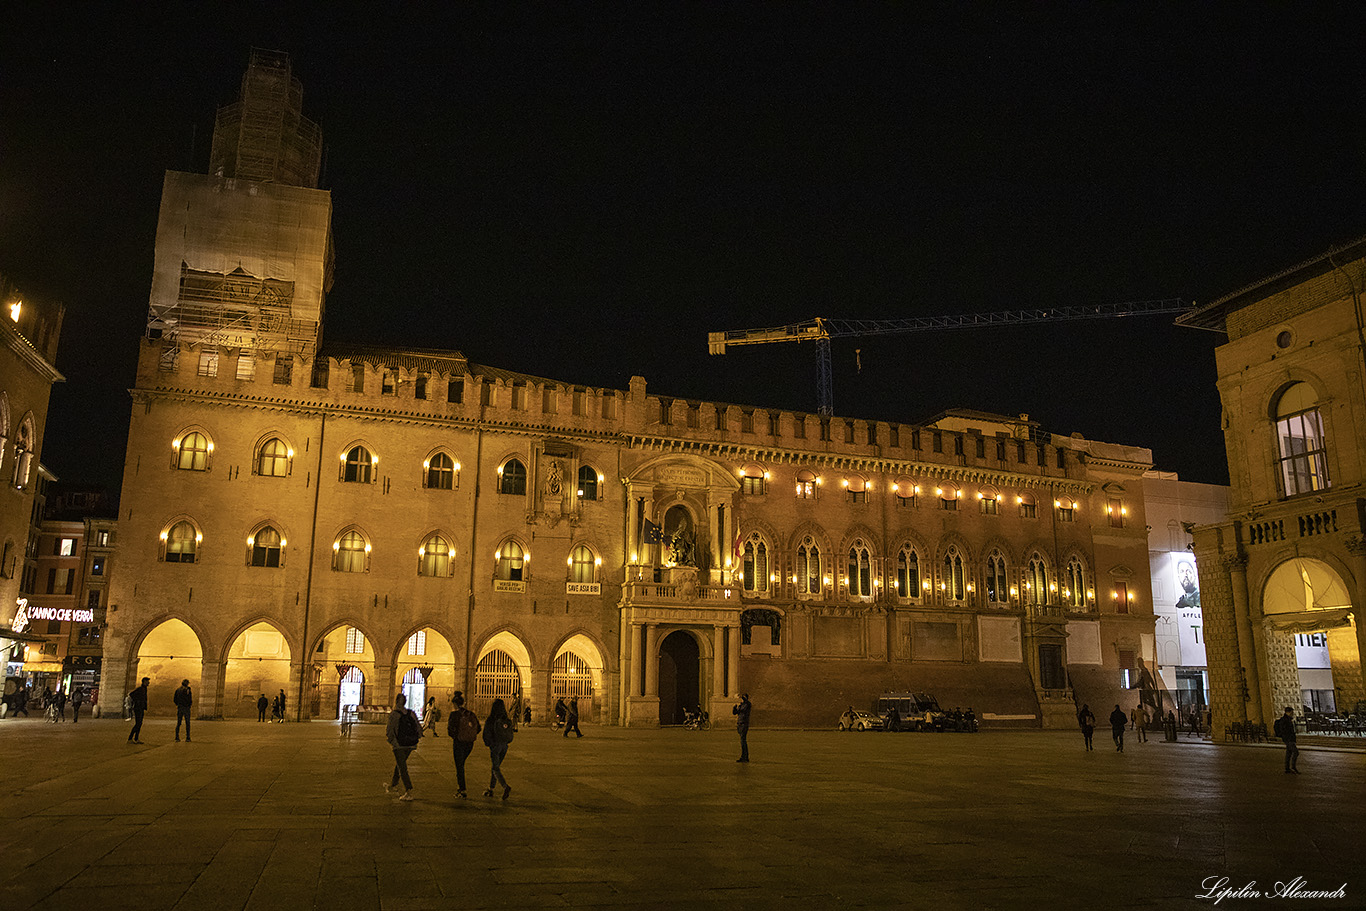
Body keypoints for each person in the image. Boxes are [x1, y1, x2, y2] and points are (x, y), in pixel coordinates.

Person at [384, 693, 422, 801]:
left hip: (399, 745)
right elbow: (419, 728)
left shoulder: (394, 714)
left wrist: (392, 742)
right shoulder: (411, 713)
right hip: (410, 745)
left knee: (402, 768)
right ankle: (393, 785)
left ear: (396, 701)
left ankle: (408, 791)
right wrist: (416, 739)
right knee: (400, 764)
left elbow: (389, 731)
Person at [446, 691, 480, 798]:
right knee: (461, 764)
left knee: (459, 766)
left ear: (454, 704)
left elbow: (450, 730)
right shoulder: (470, 714)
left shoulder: (454, 715)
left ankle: (462, 789)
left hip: (459, 743)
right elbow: (478, 728)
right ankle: (461, 787)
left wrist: (456, 736)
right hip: (469, 743)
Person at [482, 697, 514, 800]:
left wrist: (489, 744)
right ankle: (491, 789)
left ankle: (505, 786)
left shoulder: (492, 719)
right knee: (495, 768)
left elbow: (486, 734)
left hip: (495, 746)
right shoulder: (506, 719)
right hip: (504, 746)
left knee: (495, 768)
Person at [1274, 706, 1300, 773]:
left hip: (1288, 738)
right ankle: (1293, 766)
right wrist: (1287, 737)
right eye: (1292, 712)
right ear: (1288, 712)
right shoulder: (1285, 720)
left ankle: (1287, 768)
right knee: (1296, 752)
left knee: (1289, 753)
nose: (1292, 713)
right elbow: (1285, 730)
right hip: (1288, 739)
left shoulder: (1288, 719)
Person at [127, 677, 149, 744]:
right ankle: (130, 738)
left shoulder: (144, 689)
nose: (148, 683)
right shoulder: (140, 689)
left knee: (140, 724)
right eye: (147, 681)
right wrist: (137, 701)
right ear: (144, 682)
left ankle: (136, 738)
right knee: (138, 724)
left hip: (141, 708)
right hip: (138, 708)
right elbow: (131, 694)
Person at [733, 693, 752, 762]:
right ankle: (743, 756)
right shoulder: (742, 705)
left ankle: (745, 757)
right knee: (742, 741)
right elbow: (735, 712)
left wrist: (743, 700)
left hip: (744, 723)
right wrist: (734, 708)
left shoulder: (747, 704)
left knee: (743, 741)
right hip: (740, 723)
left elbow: (743, 710)